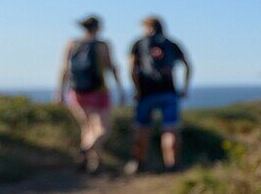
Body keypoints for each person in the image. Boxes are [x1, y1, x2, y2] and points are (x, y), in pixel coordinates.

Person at [56, 15, 125, 174]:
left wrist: (59, 92)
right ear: (98, 27)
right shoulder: (102, 45)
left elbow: (64, 69)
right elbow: (111, 67)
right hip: (99, 92)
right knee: (102, 129)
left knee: (87, 128)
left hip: (77, 92)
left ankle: (93, 163)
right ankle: (85, 150)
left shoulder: (72, 43)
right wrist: (120, 89)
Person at [125, 16, 192, 174]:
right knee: (170, 129)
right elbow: (188, 66)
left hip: (146, 94)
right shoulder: (171, 44)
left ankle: (138, 164)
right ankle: (172, 165)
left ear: (146, 27)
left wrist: (137, 89)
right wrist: (185, 88)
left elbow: (132, 69)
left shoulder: (139, 43)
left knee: (142, 129)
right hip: (168, 93)